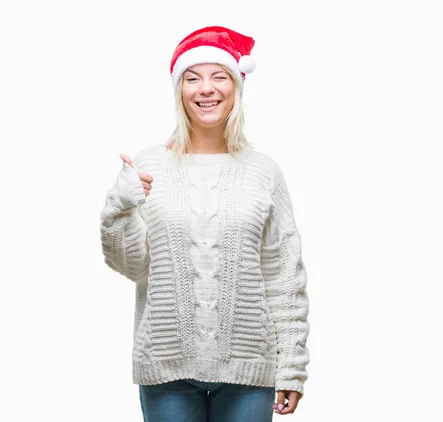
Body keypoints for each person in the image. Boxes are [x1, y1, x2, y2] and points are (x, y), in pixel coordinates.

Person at [99, 26, 310, 422]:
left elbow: (283, 276)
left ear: (236, 86)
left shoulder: (264, 172)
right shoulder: (149, 164)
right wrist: (118, 209)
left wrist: (292, 368)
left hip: (250, 369)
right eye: (192, 78)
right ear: (179, 90)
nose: (205, 89)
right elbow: (132, 267)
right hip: (166, 368)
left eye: (219, 76)